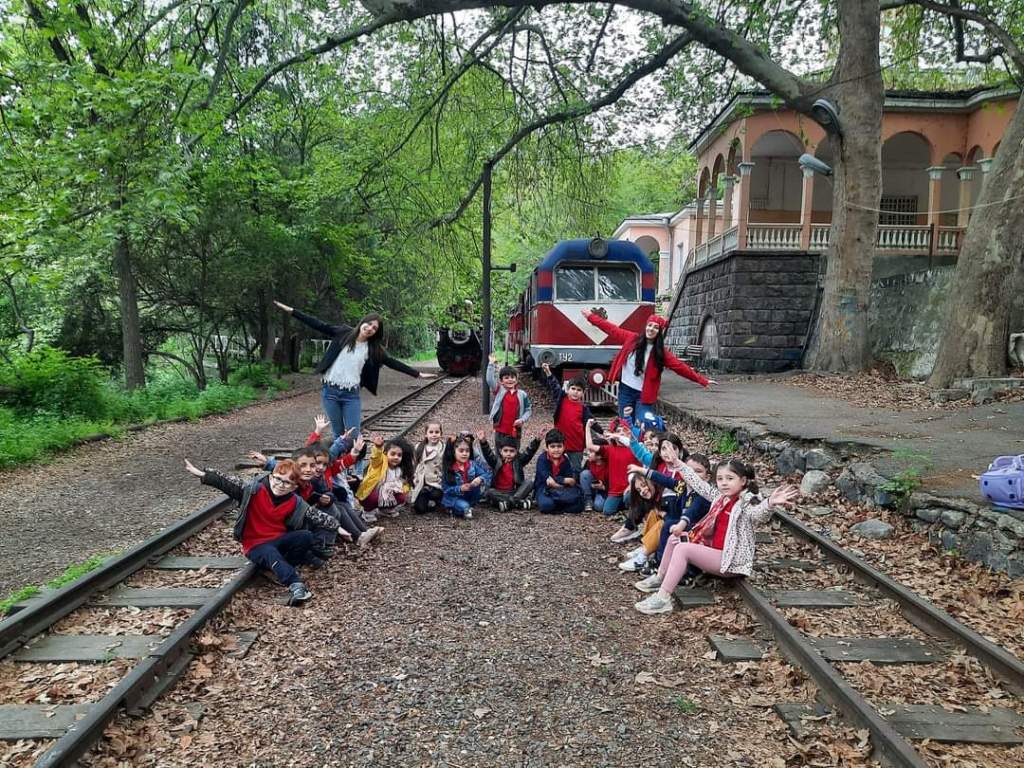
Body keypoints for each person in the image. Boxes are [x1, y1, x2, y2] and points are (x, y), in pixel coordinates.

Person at [632, 458, 800, 615]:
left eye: (730, 478)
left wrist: (769, 503)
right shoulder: (720, 498)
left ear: (742, 481)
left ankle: (663, 599)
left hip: (729, 560)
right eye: (720, 479)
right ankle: (660, 578)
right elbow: (698, 484)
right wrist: (678, 463)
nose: (724, 483)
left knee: (683, 549)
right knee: (674, 539)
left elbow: (757, 515)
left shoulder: (746, 503)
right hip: (714, 551)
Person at [183, 458, 339, 605]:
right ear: (271, 477)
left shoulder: (295, 502)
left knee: (305, 536)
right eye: (278, 479)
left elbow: (317, 516)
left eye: (287, 483)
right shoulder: (254, 491)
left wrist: (337, 527)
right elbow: (228, 483)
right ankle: (296, 585)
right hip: (255, 544)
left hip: (279, 538)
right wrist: (204, 475)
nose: (280, 485)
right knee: (269, 552)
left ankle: (286, 566)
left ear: (294, 487)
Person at [273, 300, 435, 438]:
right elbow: (318, 324)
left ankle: (354, 463)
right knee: (338, 434)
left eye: (374, 328)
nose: (370, 328)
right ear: (363, 322)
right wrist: (293, 311)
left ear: (376, 333)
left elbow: (392, 362)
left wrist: (417, 374)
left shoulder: (373, 349)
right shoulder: (343, 333)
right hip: (330, 392)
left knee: (353, 435)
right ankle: (341, 465)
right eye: (369, 324)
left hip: (351, 395)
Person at [581, 310, 716, 418]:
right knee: (625, 424)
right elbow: (611, 329)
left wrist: (702, 380)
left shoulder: (661, 353)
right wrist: (591, 317)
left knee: (644, 423)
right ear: (646, 326)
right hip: (626, 390)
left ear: (659, 332)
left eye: (656, 328)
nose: (651, 329)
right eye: (650, 325)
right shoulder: (632, 339)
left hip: (644, 394)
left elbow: (680, 367)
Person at [540, 362, 601, 471]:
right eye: (573, 389)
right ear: (568, 389)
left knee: (575, 469)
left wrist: (603, 432)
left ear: (583, 393)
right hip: (560, 443)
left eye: (579, 390)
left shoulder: (583, 408)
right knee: (556, 467)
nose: (575, 392)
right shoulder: (562, 399)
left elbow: (592, 422)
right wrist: (548, 372)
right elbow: (554, 386)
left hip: (576, 445)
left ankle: (575, 481)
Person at [587, 417, 641, 523]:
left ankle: (632, 509)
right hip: (615, 491)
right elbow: (590, 446)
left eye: (624, 430)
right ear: (613, 434)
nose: (621, 433)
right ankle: (623, 506)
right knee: (607, 511)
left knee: (628, 498)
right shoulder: (610, 449)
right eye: (618, 431)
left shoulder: (635, 448)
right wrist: (587, 427)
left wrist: (631, 485)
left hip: (631, 487)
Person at [477, 429, 541, 511]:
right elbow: (488, 454)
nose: (508, 454)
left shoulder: (518, 461)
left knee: (529, 483)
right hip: (499, 492)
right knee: (489, 492)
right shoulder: (496, 461)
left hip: (514, 492)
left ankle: (508, 503)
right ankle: (517, 503)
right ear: (500, 451)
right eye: (505, 451)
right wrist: (483, 442)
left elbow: (528, 453)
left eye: (512, 451)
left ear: (516, 452)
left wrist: (537, 441)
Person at [356, 434, 415, 522]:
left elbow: (406, 484)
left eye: (399, 455)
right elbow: (376, 458)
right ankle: (368, 512)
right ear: (386, 453)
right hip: (373, 491)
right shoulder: (380, 463)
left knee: (401, 496)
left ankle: (386, 509)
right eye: (393, 454)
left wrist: (402, 490)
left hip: (388, 493)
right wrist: (378, 447)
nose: (396, 457)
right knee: (372, 498)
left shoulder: (400, 470)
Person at [485, 355, 532, 449]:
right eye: (506, 378)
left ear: (516, 380)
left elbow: (528, 409)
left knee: (514, 451)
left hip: (515, 430)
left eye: (512, 377)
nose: (510, 379)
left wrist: (522, 419)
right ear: (501, 381)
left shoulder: (522, 394)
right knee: (499, 451)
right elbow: (489, 380)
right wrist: (491, 364)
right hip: (500, 430)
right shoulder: (499, 390)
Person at [441, 434, 492, 519]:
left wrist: (480, 478)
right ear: (454, 452)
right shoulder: (449, 468)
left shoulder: (472, 464)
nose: (464, 454)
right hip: (454, 498)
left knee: (477, 487)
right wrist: (460, 488)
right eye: (461, 451)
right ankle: (454, 508)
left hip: (469, 495)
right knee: (464, 506)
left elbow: (487, 474)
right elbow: (446, 489)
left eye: (467, 451)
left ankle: (468, 506)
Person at [534, 429, 584, 514]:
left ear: (564, 447)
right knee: (546, 505)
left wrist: (563, 482)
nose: (556, 449)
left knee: (579, 506)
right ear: (547, 448)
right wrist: (564, 480)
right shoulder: (542, 459)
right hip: (545, 488)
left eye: (559, 446)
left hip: (562, 489)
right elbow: (549, 481)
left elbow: (571, 480)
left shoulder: (565, 460)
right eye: (552, 446)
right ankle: (560, 506)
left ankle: (559, 508)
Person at [411, 422, 445, 514]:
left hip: (436, 483)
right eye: (431, 432)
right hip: (421, 482)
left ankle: (435, 500)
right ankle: (426, 500)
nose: (434, 435)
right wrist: (415, 478)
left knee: (436, 494)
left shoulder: (443, 448)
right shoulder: (419, 447)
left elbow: (446, 466)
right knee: (419, 509)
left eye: (437, 432)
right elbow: (415, 464)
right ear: (426, 434)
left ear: (441, 434)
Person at [579, 445, 609, 513]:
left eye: (591, 452)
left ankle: (596, 499)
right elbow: (583, 478)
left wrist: (603, 487)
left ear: (599, 456)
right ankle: (588, 500)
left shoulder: (609, 465)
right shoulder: (589, 462)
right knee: (584, 473)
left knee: (599, 506)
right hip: (591, 488)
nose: (588, 454)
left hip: (604, 491)